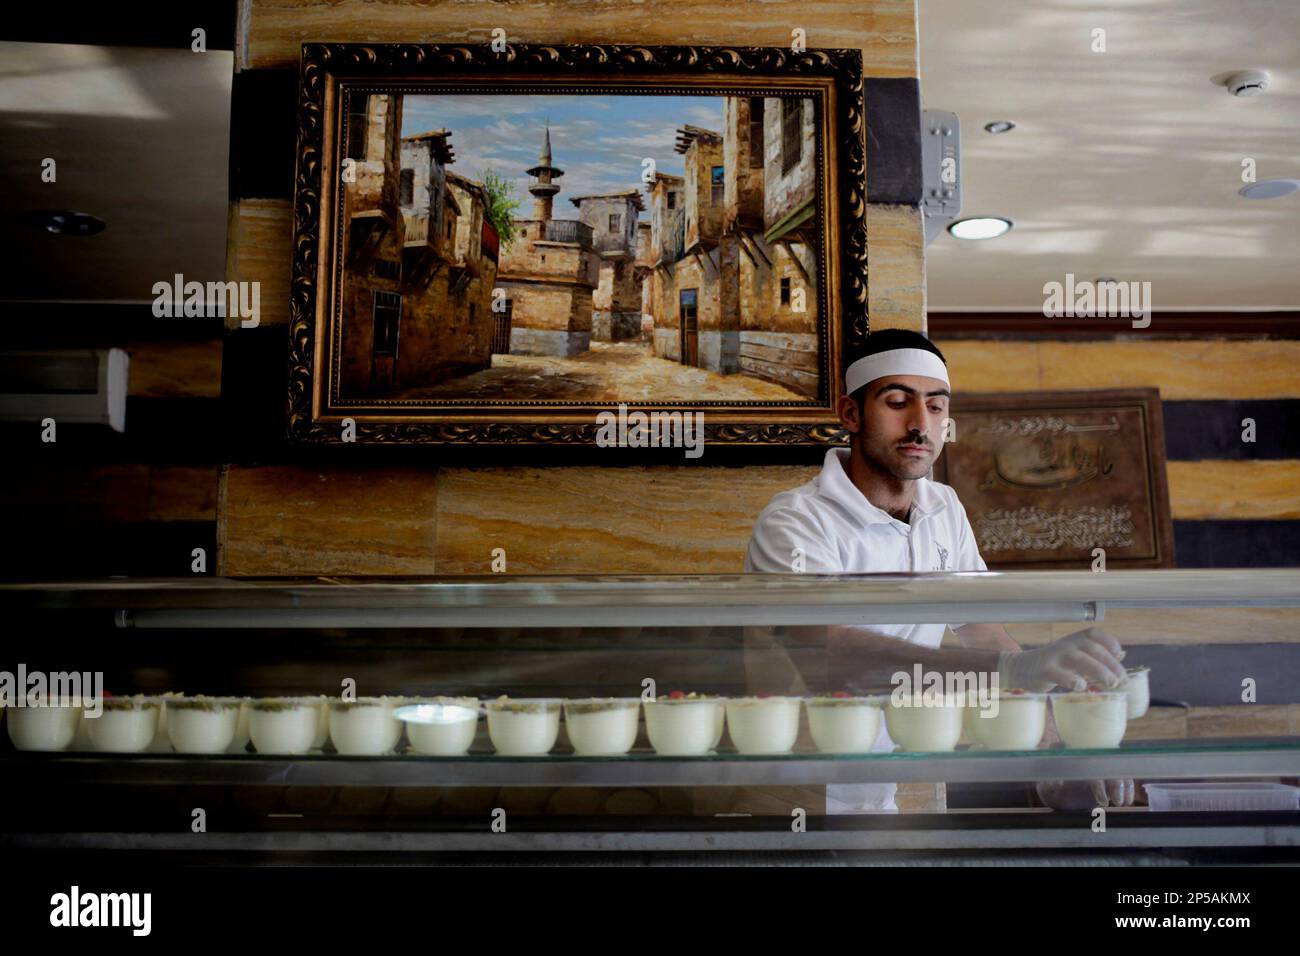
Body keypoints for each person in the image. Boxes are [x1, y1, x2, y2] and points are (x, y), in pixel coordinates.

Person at [744, 329, 1135, 812]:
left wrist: (1053, 757)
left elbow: (984, 632)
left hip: (880, 790)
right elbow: (826, 658)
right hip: (790, 797)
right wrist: (1010, 671)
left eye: (936, 406)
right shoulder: (795, 522)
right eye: (896, 402)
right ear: (850, 414)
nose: (920, 425)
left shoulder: (943, 507)